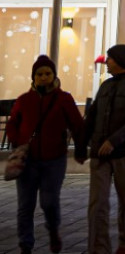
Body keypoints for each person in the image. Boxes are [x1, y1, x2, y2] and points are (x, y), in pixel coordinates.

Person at [6, 55, 86, 254]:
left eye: (47, 74)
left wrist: (80, 148)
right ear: (33, 77)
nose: (43, 78)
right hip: (28, 160)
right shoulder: (24, 100)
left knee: (49, 202)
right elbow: (13, 123)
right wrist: (18, 141)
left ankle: (53, 230)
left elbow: (77, 124)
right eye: (39, 74)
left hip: (54, 159)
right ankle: (26, 245)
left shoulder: (64, 99)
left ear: (54, 75)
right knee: (25, 205)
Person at [81, 44, 125, 254]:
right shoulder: (106, 86)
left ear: (120, 60)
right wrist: (83, 143)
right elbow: (93, 115)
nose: (107, 62)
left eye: (110, 58)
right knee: (97, 203)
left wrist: (114, 141)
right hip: (99, 153)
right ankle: (98, 247)